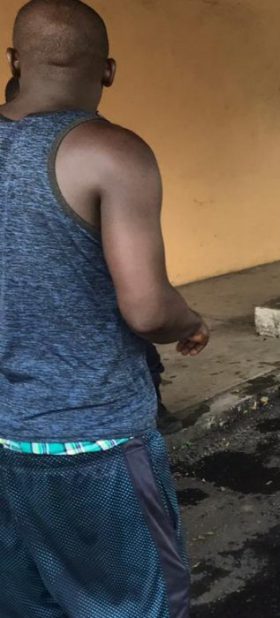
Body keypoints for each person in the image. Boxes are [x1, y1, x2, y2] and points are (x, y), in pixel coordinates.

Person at [0, 2, 209, 617]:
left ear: (14, 60)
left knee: (25, 602)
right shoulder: (110, 152)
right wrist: (190, 321)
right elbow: (147, 308)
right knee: (134, 606)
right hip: (95, 441)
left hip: (5, 436)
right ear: (109, 71)